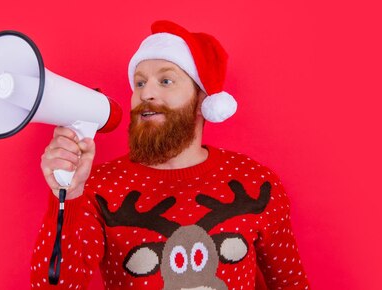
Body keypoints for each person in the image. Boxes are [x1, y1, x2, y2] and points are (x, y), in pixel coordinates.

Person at [30, 20, 309, 290]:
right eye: (139, 83)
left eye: (165, 80)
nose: (146, 93)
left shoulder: (255, 182)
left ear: (202, 101)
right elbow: (53, 288)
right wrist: (67, 195)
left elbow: (291, 285)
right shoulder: (98, 187)